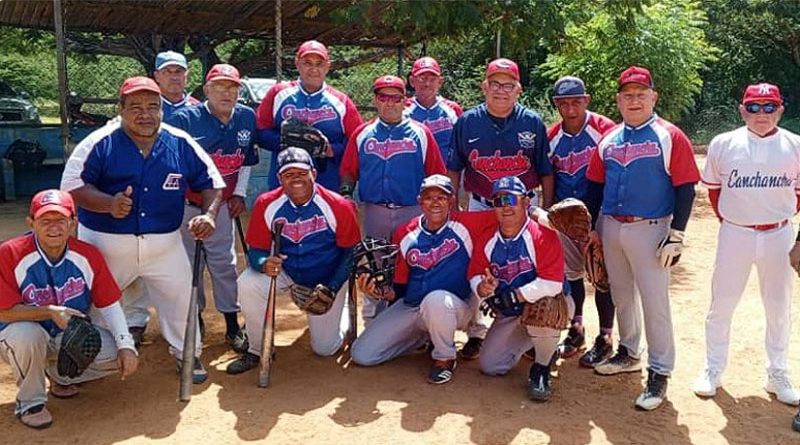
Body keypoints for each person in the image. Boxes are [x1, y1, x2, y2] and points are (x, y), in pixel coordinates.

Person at [61, 76, 225, 384]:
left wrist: (209, 215)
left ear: (162, 109)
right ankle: (91, 358)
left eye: (152, 106)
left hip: (165, 243)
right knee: (96, 306)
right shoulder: (100, 141)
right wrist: (108, 203)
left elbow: (213, 183)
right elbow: (71, 186)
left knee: (181, 300)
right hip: (106, 243)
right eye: (135, 107)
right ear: (120, 109)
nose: (145, 114)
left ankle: (187, 354)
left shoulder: (179, 141)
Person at [585, 66, 700, 411]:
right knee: (621, 294)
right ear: (618, 100)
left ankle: (660, 370)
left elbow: (685, 188)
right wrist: (593, 227)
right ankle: (629, 351)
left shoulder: (669, 135)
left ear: (653, 97)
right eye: (627, 95)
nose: (634, 100)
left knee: (654, 302)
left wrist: (677, 234)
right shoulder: (609, 139)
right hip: (611, 225)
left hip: (651, 227)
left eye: (641, 94)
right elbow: (595, 186)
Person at [694, 83, 800, 411]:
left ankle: (778, 372)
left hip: (778, 234)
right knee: (722, 303)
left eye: (769, 107)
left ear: (780, 110)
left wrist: (777, 218)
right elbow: (714, 191)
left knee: (778, 306)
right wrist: (735, 220)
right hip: (735, 233)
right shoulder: (723, 143)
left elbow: (798, 195)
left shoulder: (795, 145)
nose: (761, 113)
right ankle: (713, 368)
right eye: (754, 107)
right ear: (742, 110)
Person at [0, 190, 138, 429]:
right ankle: (31, 403)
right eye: (45, 220)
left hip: (66, 335)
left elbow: (109, 303)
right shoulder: (9, 253)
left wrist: (126, 345)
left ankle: (59, 375)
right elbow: (3, 312)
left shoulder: (87, 255)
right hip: (16, 337)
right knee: (27, 334)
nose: (54, 227)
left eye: (61, 220)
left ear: (73, 223)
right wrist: (50, 312)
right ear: (31, 223)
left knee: (116, 354)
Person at [226, 147, 361, 374]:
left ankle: (341, 316)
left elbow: (351, 252)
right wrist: (263, 263)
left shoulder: (338, 204)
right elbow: (256, 251)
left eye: (301, 173)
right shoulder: (267, 203)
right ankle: (258, 349)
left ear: (313, 174)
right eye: (288, 174)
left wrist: (332, 287)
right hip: (286, 272)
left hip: (325, 277)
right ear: (279, 179)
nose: (296, 179)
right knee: (248, 283)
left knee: (325, 349)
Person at [351, 174, 495, 384]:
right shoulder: (405, 232)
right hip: (414, 306)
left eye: (441, 197)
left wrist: (540, 214)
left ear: (451, 200)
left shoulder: (468, 223)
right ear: (420, 201)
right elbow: (400, 287)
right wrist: (380, 292)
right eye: (428, 197)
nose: (435, 202)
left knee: (435, 300)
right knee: (363, 354)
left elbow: (510, 213)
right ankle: (425, 336)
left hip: (456, 307)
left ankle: (444, 357)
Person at [340, 74, 446, 325]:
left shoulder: (421, 133)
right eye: (383, 97)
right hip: (375, 210)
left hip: (412, 210)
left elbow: (437, 175)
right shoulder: (362, 133)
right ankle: (372, 320)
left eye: (395, 98)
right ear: (375, 100)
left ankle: (414, 321)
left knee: (412, 262)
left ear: (404, 101)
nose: (389, 103)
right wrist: (346, 194)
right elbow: (348, 170)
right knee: (375, 265)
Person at [166, 64, 258, 353]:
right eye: (219, 86)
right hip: (187, 206)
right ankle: (194, 320)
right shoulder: (185, 119)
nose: (226, 93)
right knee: (187, 267)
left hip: (222, 209)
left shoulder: (246, 116)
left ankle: (232, 324)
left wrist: (239, 193)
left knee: (224, 265)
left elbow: (247, 161)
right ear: (206, 90)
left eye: (232, 88)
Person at [468, 175, 568, 402]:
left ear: (525, 202)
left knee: (545, 305)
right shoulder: (488, 238)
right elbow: (474, 273)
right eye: (499, 201)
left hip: (548, 303)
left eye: (511, 200)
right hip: (512, 312)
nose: (505, 207)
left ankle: (542, 367)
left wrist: (514, 296)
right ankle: (534, 343)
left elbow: (552, 283)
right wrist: (482, 288)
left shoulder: (542, 234)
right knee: (490, 365)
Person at [546, 76, 617, 367]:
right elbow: (548, 176)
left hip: (600, 215)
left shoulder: (605, 129)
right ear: (556, 105)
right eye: (563, 103)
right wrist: (550, 214)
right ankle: (576, 329)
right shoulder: (552, 136)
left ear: (586, 100)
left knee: (602, 276)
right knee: (572, 275)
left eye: (576, 101)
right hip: (566, 218)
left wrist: (602, 219)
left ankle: (606, 337)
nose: (570, 109)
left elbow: (616, 173)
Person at [447, 58, 554, 210]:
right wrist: (453, 209)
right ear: (485, 87)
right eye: (495, 84)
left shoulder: (532, 121)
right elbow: (454, 168)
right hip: (481, 204)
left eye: (508, 86)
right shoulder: (467, 122)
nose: (501, 90)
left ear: (518, 90)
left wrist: (546, 209)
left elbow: (546, 171)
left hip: (524, 204)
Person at [256, 40, 363, 191]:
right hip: (283, 184)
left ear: (328, 66)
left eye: (319, 64)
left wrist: (331, 149)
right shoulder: (278, 94)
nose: (313, 69)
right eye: (307, 63)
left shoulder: (341, 101)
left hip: (327, 184)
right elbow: (260, 132)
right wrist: (285, 142)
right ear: (297, 63)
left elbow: (357, 142)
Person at [404, 56, 463, 161]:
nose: (427, 84)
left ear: (440, 82)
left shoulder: (453, 109)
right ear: (412, 81)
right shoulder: (402, 110)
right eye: (422, 78)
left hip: (446, 170)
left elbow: (463, 144)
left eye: (432, 79)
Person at [153, 50, 200, 119]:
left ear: (187, 75)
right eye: (167, 72)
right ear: (157, 76)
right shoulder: (149, 108)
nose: (174, 77)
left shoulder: (197, 110)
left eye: (178, 71)